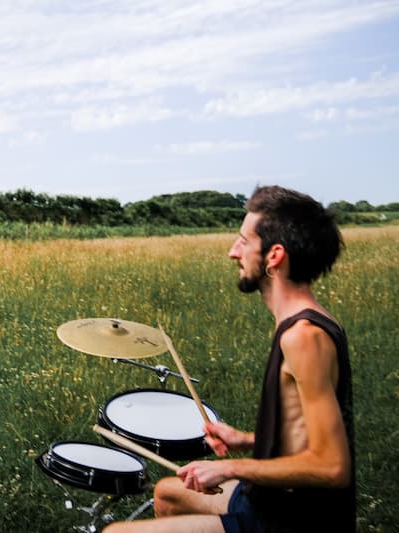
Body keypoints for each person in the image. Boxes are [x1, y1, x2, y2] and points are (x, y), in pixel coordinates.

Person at [104, 185, 355, 533]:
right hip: (271, 499)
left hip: (289, 520)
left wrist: (231, 467)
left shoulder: (304, 337)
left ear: (274, 256)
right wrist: (248, 439)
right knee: (167, 493)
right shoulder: (304, 322)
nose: (232, 252)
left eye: (243, 241)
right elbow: (306, 430)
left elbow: (331, 466)